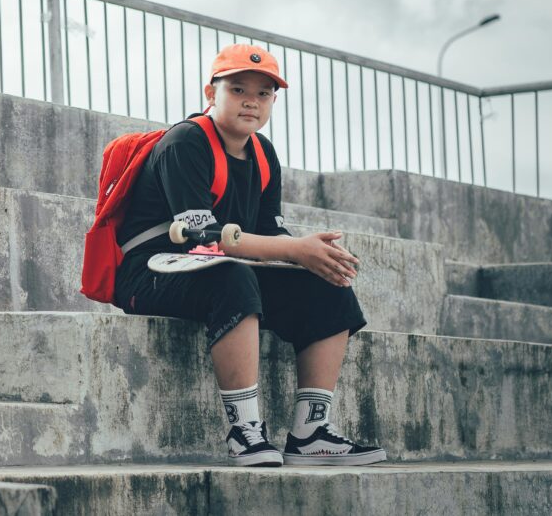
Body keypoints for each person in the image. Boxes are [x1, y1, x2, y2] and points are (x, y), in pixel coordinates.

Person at [113, 43, 386, 466]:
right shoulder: (186, 142)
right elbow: (200, 234)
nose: (251, 102)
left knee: (327, 280)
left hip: (217, 269)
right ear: (211, 93)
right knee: (231, 276)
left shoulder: (263, 154)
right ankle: (246, 432)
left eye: (263, 94)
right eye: (238, 89)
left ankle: (310, 432)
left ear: (273, 101)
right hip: (150, 272)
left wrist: (310, 254)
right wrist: (294, 249)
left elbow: (269, 231)